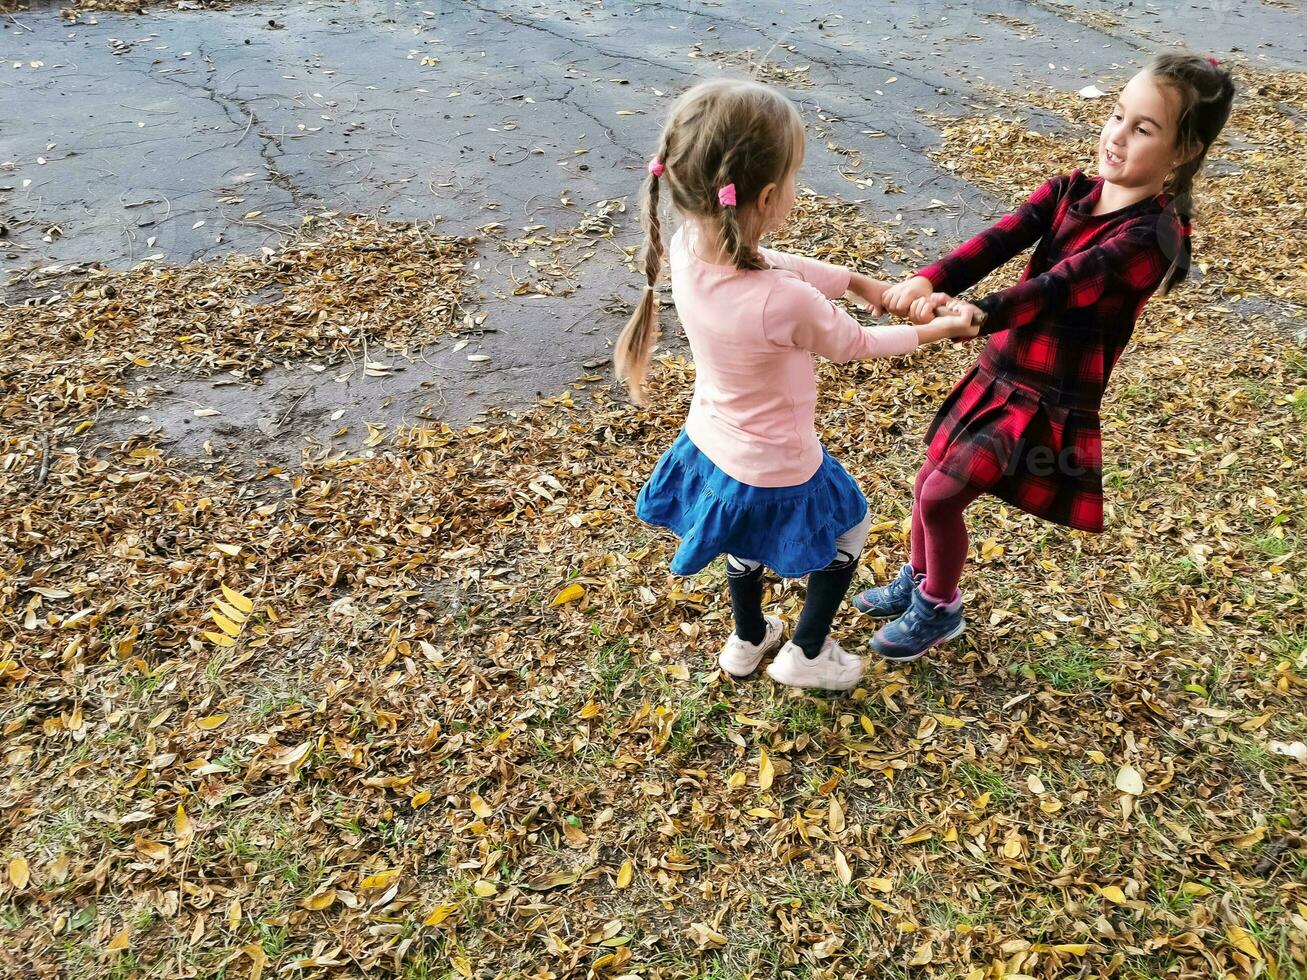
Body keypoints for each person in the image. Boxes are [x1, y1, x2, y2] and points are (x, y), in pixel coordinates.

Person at [855, 53, 1236, 662]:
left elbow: (1063, 284)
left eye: (1144, 129)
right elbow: (1000, 238)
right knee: (931, 475)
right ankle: (918, 578)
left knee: (941, 495)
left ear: (1184, 151)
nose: (1118, 135)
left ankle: (939, 606)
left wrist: (980, 313)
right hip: (1000, 371)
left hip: (1046, 397)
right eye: (1118, 115)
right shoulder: (1068, 190)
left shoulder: (1152, 236)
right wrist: (930, 279)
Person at [616, 78, 977, 691]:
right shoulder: (782, 301)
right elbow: (856, 344)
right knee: (851, 526)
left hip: (710, 443)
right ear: (763, 198)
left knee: (744, 537)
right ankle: (808, 652)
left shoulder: (685, 244)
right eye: (791, 179)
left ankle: (749, 638)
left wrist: (858, 281)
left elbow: (770, 262)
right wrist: (940, 331)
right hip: (779, 460)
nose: (794, 190)